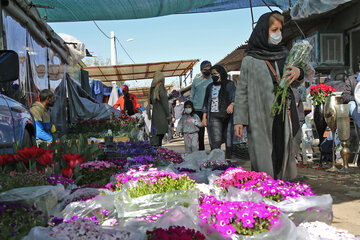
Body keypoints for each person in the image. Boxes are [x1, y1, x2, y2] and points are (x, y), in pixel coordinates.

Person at [233, 11, 303, 180]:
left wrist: (299, 72)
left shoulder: (285, 55)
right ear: (264, 30)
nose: (277, 34)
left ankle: (283, 183)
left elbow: (295, 81)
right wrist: (239, 120)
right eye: (274, 30)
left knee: (283, 147)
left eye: (279, 30)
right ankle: (265, 185)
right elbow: (242, 91)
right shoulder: (249, 60)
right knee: (263, 152)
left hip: (283, 112)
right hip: (260, 116)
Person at [202, 65, 236, 160]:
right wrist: (204, 117)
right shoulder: (210, 87)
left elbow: (235, 97)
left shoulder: (229, 84)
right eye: (212, 74)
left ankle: (228, 159)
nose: (214, 76)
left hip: (227, 116)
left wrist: (232, 104)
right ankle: (216, 161)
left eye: (215, 74)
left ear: (221, 74)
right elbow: (205, 102)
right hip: (214, 116)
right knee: (216, 139)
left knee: (228, 139)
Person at [190, 60, 212, 151]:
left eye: (209, 69)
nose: (207, 71)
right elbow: (192, 95)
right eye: (205, 69)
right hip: (198, 109)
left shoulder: (213, 80)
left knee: (212, 132)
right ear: (201, 70)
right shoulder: (196, 81)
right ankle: (201, 153)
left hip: (210, 109)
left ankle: (214, 151)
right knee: (200, 134)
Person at [147, 71, 170, 147]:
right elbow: (165, 103)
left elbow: (151, 101)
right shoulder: (160, 87)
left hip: (155, 116)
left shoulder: (152, 89)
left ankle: (156, 153)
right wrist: (168, 115)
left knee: (156, 136)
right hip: (162, 116)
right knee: (160, 137)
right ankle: (158, 153)